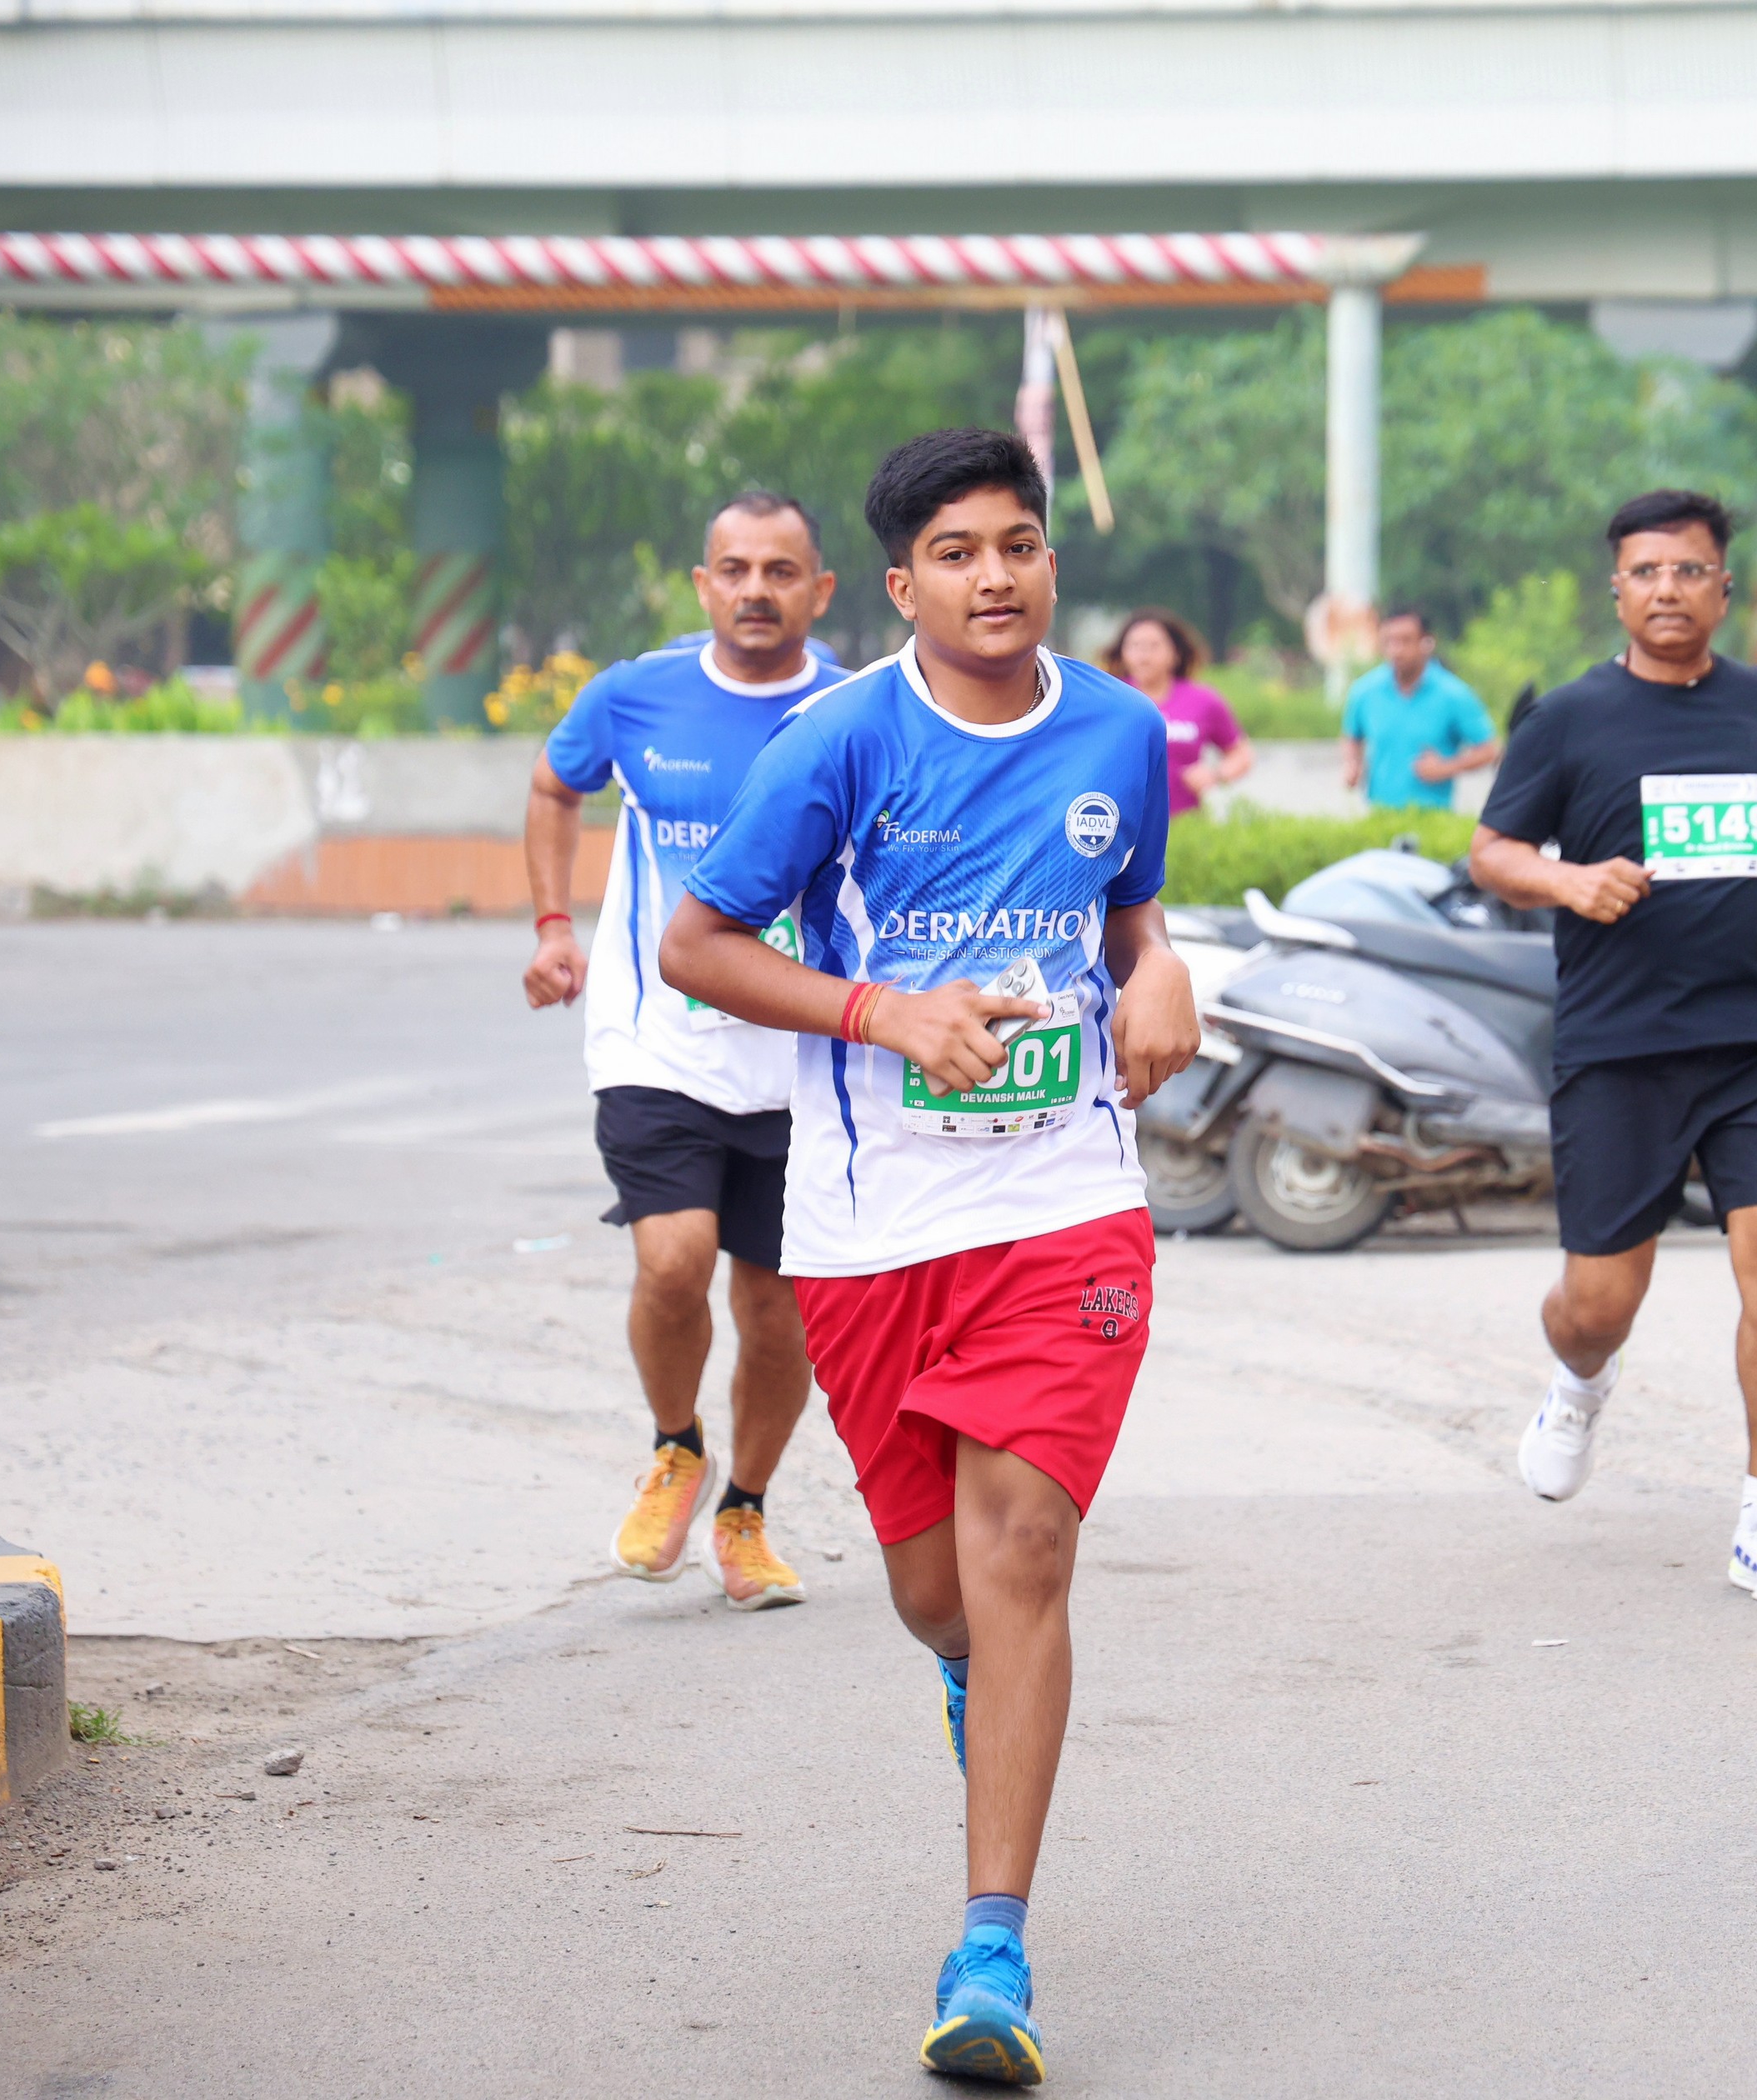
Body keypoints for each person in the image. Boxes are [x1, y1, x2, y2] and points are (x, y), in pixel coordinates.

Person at [658, 428, 1200, 2088]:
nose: (994, 576)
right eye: (956, 553)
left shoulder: (1118, 731)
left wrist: (1164, 969)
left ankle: (992, 1949)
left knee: (1023, 1544)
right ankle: (977, 1681)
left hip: (1063, 1203)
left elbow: (1127, 913)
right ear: (901, 586)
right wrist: (882, 1011)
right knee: (935, 1596)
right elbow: (698, 944)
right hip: (870, 1224)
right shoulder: (837, 742)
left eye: (1017, 544)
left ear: (1051, 561)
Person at [1466, 489, 1757, 1604]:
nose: (1668, 590)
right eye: (1647, 572)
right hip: (1621, 1044)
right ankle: (1578, 1382)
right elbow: (1493, 851)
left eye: (1689, 571)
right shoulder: (1570, 719)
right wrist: (1570, 880)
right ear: (1618, 589)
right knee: (1600, 1303)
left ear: (1724, 588)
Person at [523, 490, 829, 1611]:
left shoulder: (854, 711)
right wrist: (554, 927)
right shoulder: (633, 695)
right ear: (704, 584)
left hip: (800, 1058)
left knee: (778, 1309)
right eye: (734, 569)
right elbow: (554, 785)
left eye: (780, 571)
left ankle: (744, 1510)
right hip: (654, 1039)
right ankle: (675, 1446)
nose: (756, 590)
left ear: (819, 590)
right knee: (672, 1260)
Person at [1340, 606, 1497, 809]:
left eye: (1405, 641)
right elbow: (1352, 735)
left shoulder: (1453, 695)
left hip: (1433, 816)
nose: (1397, 650)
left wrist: (1446, 768)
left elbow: (1489, 750)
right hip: (1379, 813)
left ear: (1427, 642)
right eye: (1390, 641)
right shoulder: (1364, 692)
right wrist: (1353, 764)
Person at [1106, 607, 1251, 816]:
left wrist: (1215, 774)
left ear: (1175, 653)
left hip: (1183, 821)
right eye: (1135, 646)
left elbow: (1241, 754)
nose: (1143, 655)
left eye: (1154, 646)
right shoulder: (1109, 699)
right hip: (1122, 821)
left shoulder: (1203, 701)